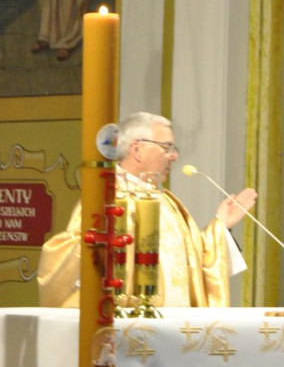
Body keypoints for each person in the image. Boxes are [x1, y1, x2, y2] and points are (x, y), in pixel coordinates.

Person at [37, 111, 257, 308]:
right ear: (137, 149)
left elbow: (193, 260)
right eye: (167, 147)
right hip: (128, 323)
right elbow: (80, 252)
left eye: (174, 149)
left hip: (175, 327)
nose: (174, 156)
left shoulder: (167, 201)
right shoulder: (107, 197)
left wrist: (221, 227)